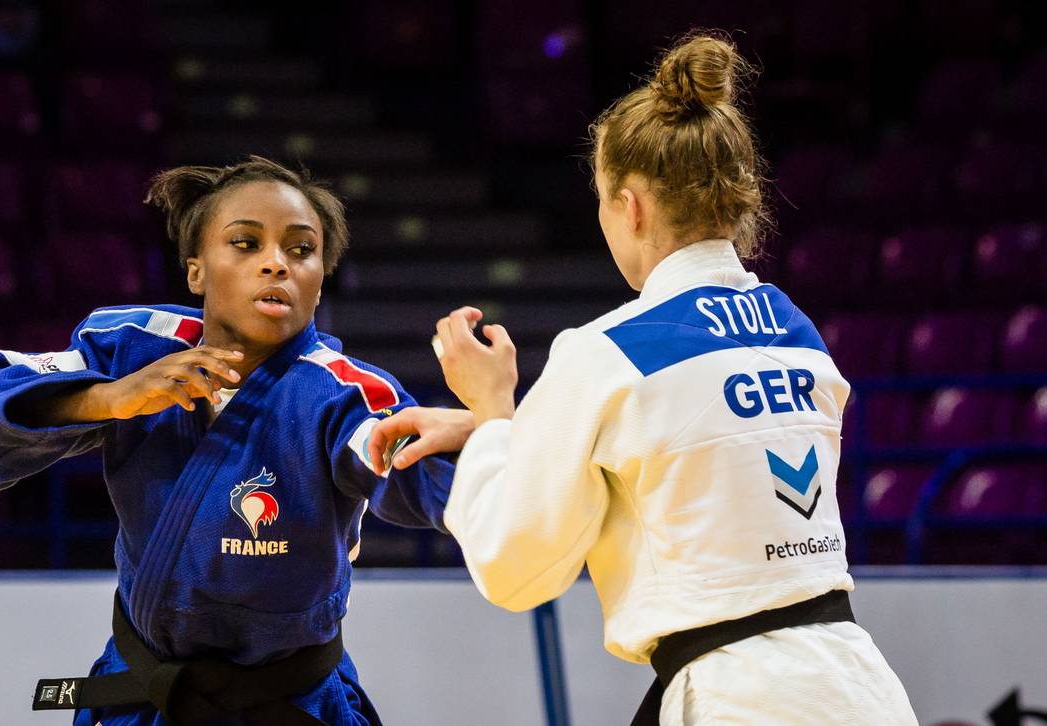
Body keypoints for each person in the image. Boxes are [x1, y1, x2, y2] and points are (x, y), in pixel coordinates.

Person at [368, 33, 918, 725]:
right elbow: (693, 448)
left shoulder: (607, 352)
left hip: (737, 701)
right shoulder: (798, 334)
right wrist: (497, 430)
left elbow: (517, 566)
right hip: (860, 686)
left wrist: (493, 405)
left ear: (629, 206)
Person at [0, 156, 454, 725]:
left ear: (319, 277)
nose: (275, 265)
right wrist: (111, 399)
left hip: (288, 701)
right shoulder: (133, 345)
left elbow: (411, 459)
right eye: (245, 243)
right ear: (196, 272)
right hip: (143, 691)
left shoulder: (342, 393)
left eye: (300, 250)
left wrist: (490, 439)